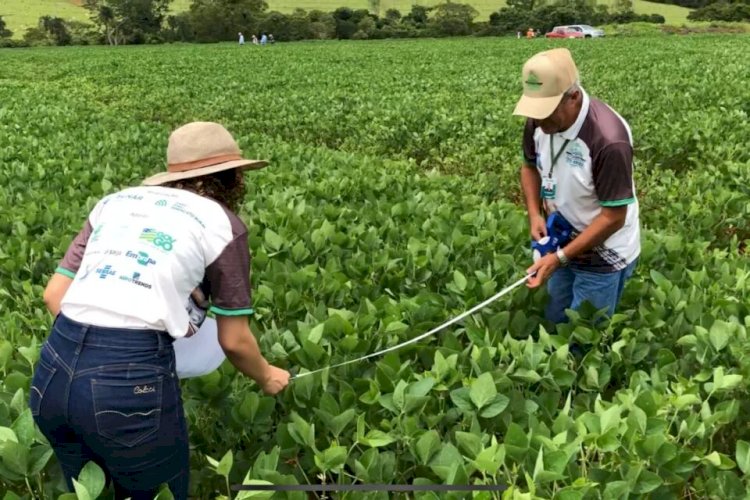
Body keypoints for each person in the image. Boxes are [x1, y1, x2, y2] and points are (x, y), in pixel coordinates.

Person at [29, 121, 291, 499]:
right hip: (126, 379)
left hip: (52, 371)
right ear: (232, 178)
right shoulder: (222, 224)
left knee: (89, 493)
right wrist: (267, 377)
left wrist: (90, 353)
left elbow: (54, 294)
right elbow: (234, 340)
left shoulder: (115, 203)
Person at [514, 48, 640, 325]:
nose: (538, 120)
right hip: (562, 238)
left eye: (546, 112)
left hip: (604, 252)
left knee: (584, 334)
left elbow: (613, 217)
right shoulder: (538, 121)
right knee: (556, 319)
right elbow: (529, 167)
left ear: (573, 97)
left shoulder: (609, 140)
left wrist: (559, 258)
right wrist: (535, 213)